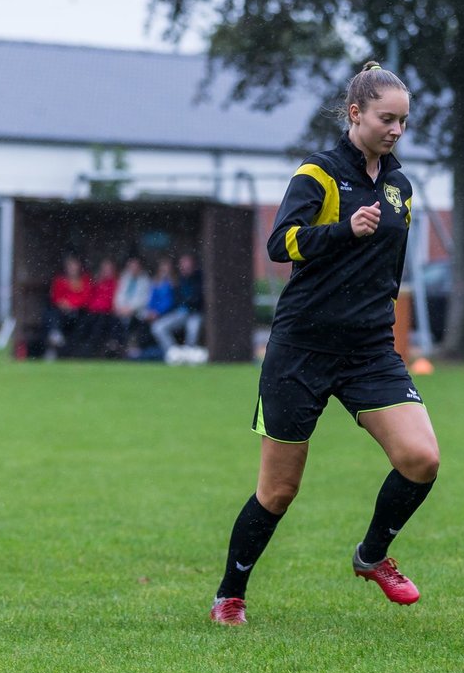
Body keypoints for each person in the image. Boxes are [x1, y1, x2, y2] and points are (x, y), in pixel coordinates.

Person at [210, 62, 439, 626]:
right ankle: (229, 596)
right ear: (356, 113)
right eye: (388, 119)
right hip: (302, 350)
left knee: (421, 459)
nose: (397, 131)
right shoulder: (318, 174)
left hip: (368, 350)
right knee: (279, 490)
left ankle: (372, 556)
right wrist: (343, 230)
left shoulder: (398, 185)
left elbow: (386, 265)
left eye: (404, 121)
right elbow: (280, 243)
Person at [151, 253, 204, 351]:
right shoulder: (177, 280)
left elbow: (197, 298)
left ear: (193, 264)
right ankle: (174, 353)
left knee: (193, 331)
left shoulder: (199, 278)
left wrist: (187, 303)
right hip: (180, 313)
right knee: (158, 327)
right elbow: (174, 300)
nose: (186, 265)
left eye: (188, 262)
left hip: (195, 313)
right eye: (183, 263)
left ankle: (189, 355)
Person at [45, 255, 92, 358]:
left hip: (79, 312)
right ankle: (55, 335)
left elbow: (86, 298)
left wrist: (72, 304)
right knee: (50, 313)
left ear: (79, 266)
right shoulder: (60, 280)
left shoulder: (85, 280)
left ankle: (59, 343)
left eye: (74, 265)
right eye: (70, 265)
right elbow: (55, 297)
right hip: (62, 312)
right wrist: (63, 304)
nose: (72, 268)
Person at [112, 256, 152, 350]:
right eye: (131, 266)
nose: (133, 268)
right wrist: (121, 308)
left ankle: (133, 348)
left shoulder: (145, 280)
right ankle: (116, 347)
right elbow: (119, 294)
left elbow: (144, 299)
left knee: (136, 325)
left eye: (135, 266)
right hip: (122, 311)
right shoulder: (124, 278)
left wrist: (131, 309)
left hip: (137, 312)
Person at [84, 257, 119, 355]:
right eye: (104, 269)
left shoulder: (116, 283)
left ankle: (94, 350)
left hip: (107, 314)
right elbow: (89, 298)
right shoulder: (96, 283)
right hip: (93, 313)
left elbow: (113, 301)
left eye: (109, 269)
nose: (106, 271)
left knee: (100, 324)